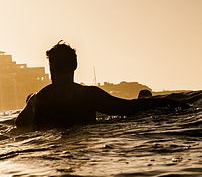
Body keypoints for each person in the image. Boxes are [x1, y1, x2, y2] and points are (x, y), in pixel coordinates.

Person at [16, 42, 187, 130]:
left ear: (51, 67)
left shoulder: (36, 98)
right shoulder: (87, 95)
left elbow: (18, 126)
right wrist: (168, 102)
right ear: (75, 65)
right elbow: (129, 108)